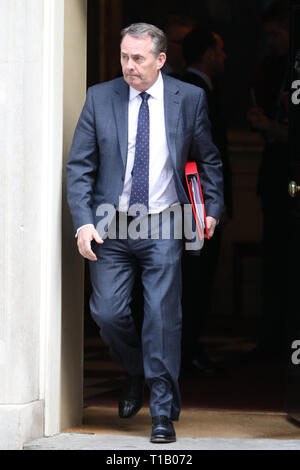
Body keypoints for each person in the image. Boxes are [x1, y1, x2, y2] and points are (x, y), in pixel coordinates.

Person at [66, 23, 223, 443]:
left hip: (164, 222)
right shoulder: (101, 97)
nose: (129, 66)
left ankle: (162, 412)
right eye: (124, 57)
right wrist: (83, 222)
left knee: (161, 317)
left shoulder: (188, 98)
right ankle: (135, 370)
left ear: (161, 59)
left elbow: (208, 159)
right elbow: (80, 166)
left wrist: (210, 209)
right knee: (108, 313)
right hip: (110, 223)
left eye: (138, 58)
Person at [180, 27, 232, 373]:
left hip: (205, 199)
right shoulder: (191, 89)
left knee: (199, 277)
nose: (225, 56)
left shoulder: (206, 89)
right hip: (193, 200)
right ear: (209, 53)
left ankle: (190, 347)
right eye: (221, 49)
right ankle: (186, 351)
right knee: (193, 278)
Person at [247, 0, 289, 356]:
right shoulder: (271, 68)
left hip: (290, 173)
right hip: (275, 177)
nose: (272, 40)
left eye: (277, 33)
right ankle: (273, 338)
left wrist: (273, 127)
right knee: (275, 260)